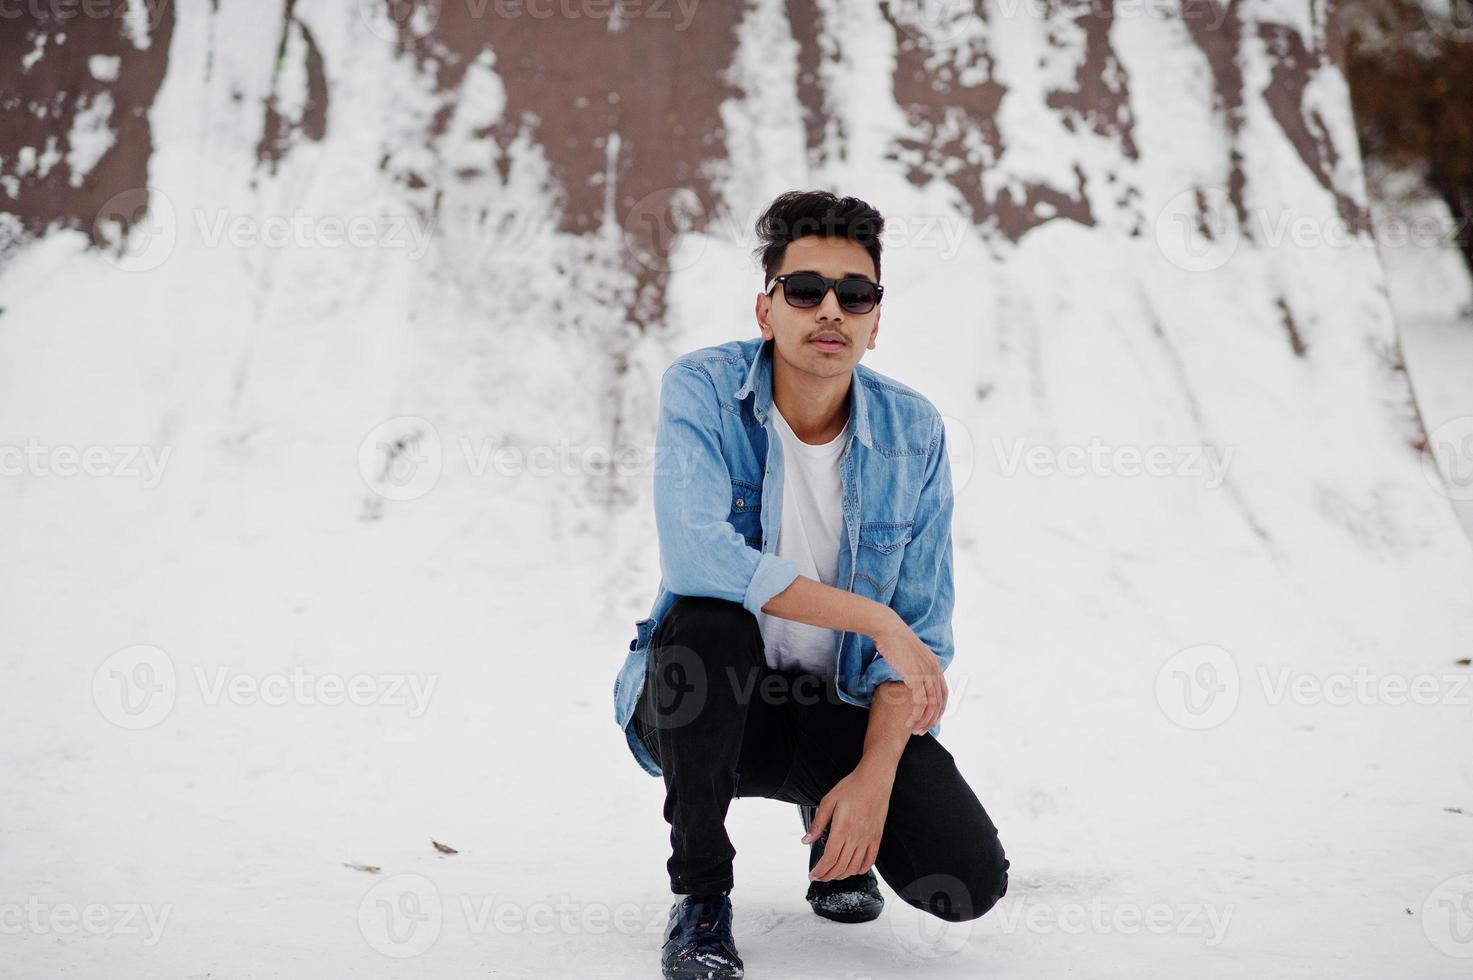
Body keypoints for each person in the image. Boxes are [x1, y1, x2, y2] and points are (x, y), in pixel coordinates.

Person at [611, 190, 1009, 979]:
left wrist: (872, 776)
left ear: (874, 320)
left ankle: (831, 826)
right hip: (703, 704)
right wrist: (871, 617)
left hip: (836, 709)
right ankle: (700, 899)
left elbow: (920, 635)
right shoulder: (703, 390)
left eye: (853, 295)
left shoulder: (913, 430)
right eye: (804, 290)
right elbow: (697, 558)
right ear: (766, 310)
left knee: (965, 882)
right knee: (706, 622)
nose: (829, 310)